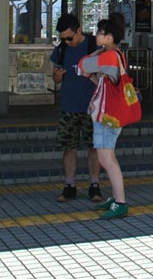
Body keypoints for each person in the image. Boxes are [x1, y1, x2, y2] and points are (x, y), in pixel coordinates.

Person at [77, 19, 130, 220]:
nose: (96, 36)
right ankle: (116, 198)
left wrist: (94, 55)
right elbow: (97, 79)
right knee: (106, 157)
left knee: (107, 158)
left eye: (99, 33)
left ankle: (121, 203)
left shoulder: (109, 56)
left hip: (109, 116)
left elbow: (84, 64)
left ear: (109, 37)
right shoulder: (116, 55)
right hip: (107, 113)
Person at [49, 13, 104, 203]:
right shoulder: (62, 50)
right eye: (62, 38)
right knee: (68, 147)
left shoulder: (94, 46)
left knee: (94, 148)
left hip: (93, 107)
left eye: (69, 37)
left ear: (79, 30)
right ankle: (69, 185)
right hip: (69, 106)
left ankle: (94, 185)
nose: (66, 41)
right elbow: (55, 77)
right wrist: (56, 77)